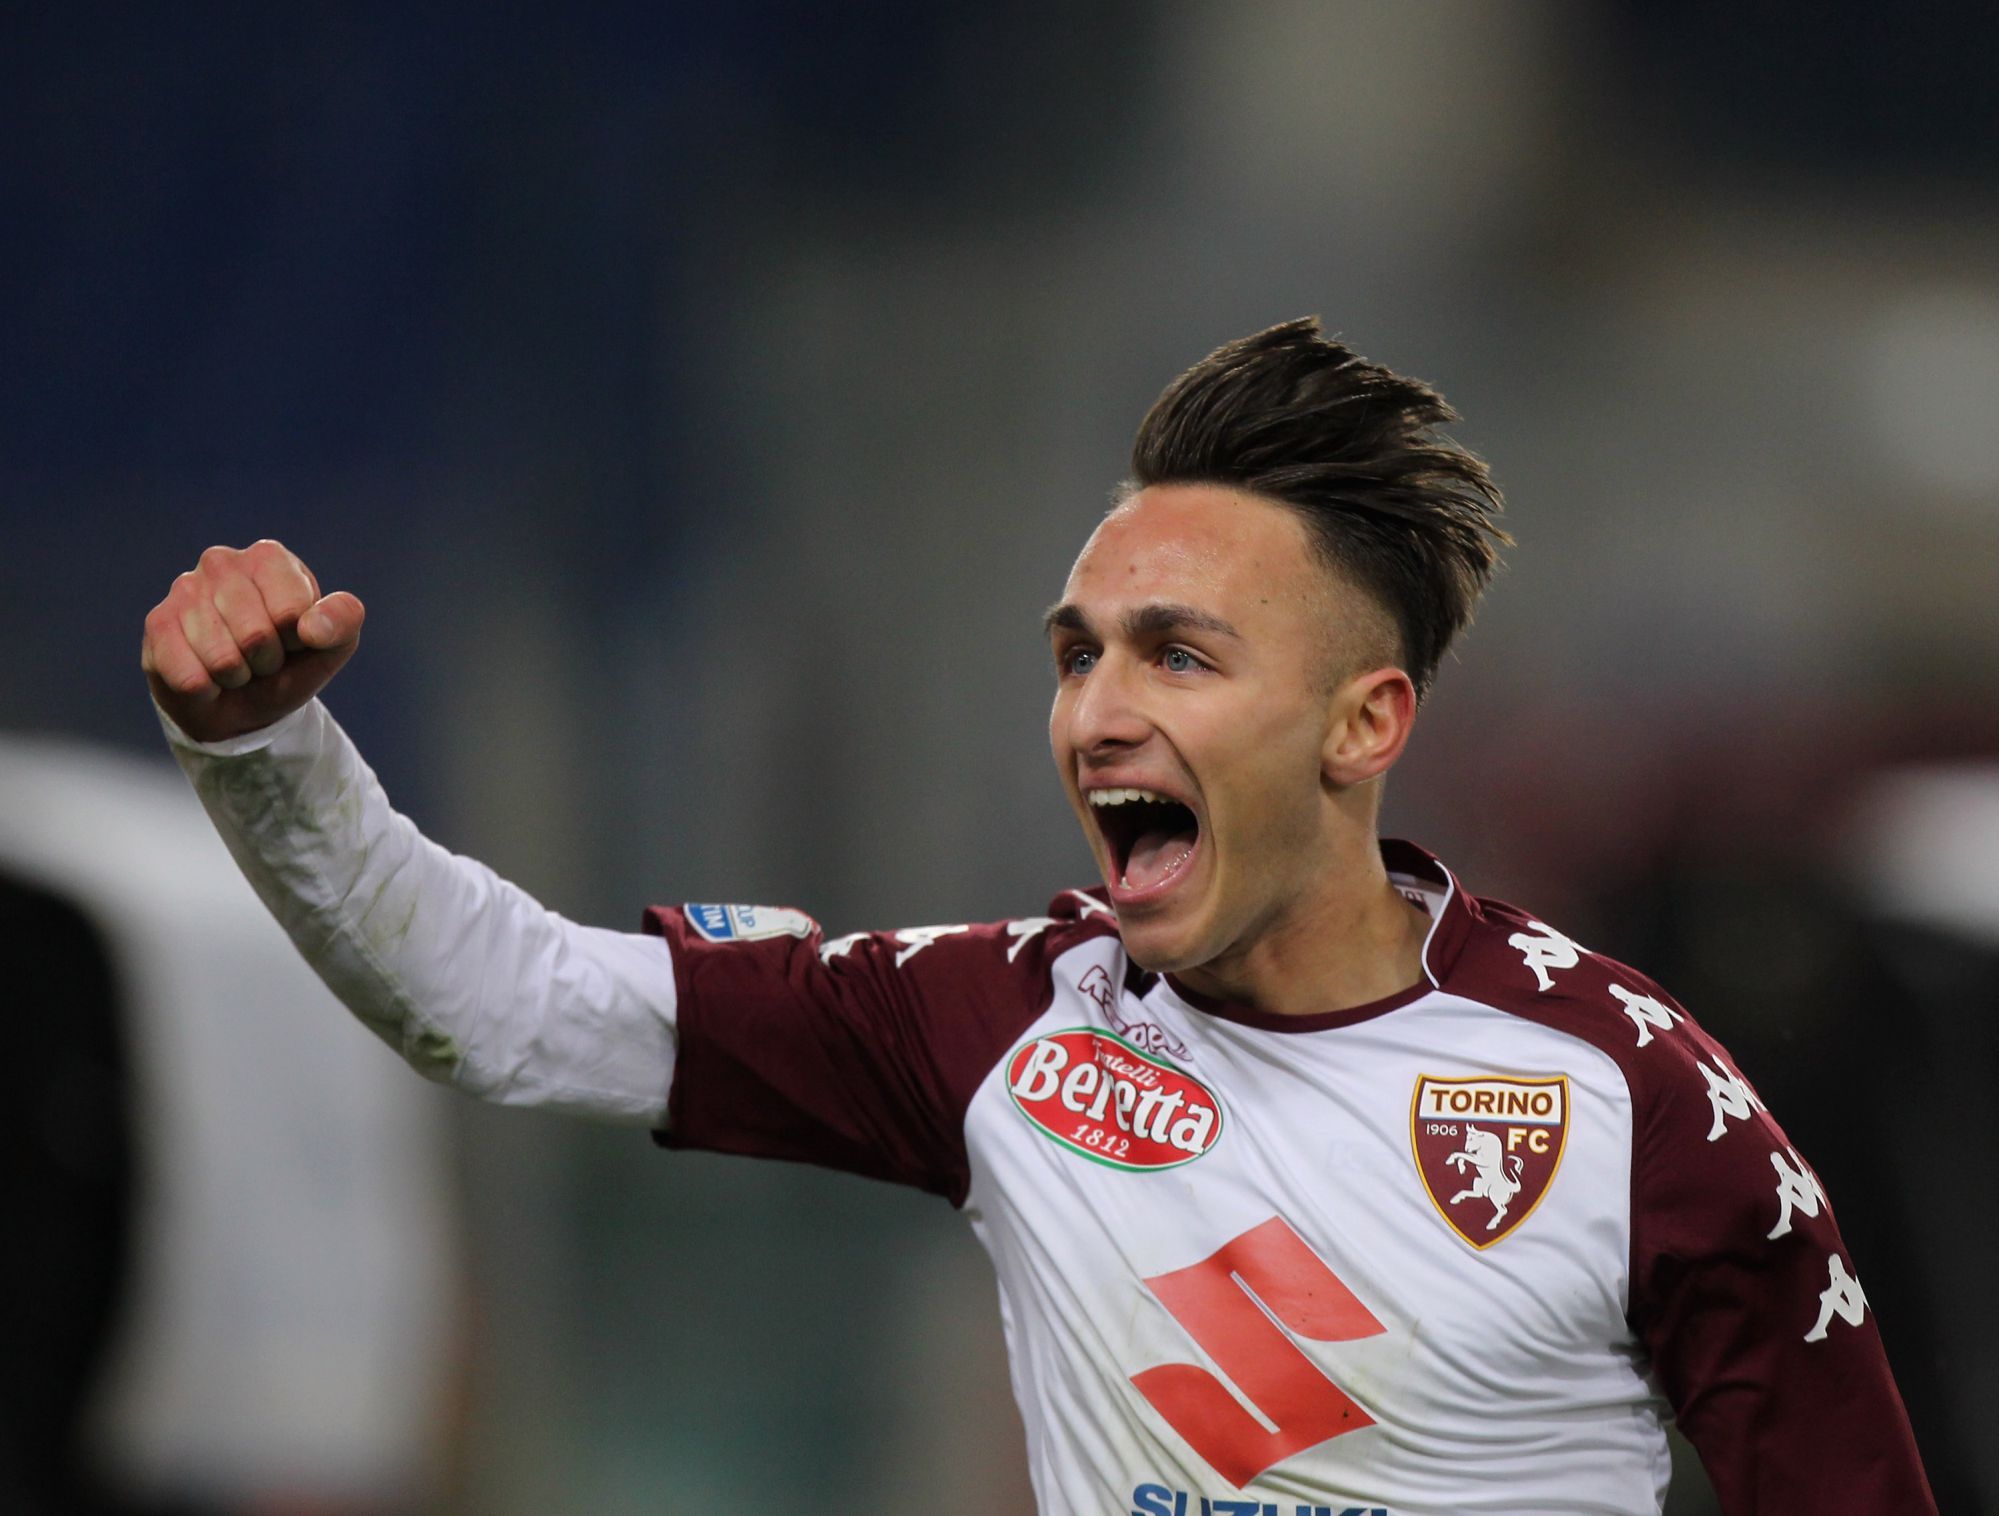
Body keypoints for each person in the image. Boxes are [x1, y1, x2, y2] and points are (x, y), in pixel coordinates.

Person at [141, 320, 1934, 1515]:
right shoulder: (1002, 1023)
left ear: (1365, 724)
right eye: (1080, 655)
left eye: (1179, 656)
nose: (1097, 713)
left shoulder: (1631, 1096)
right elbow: (504, 1002)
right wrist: (268, 752)